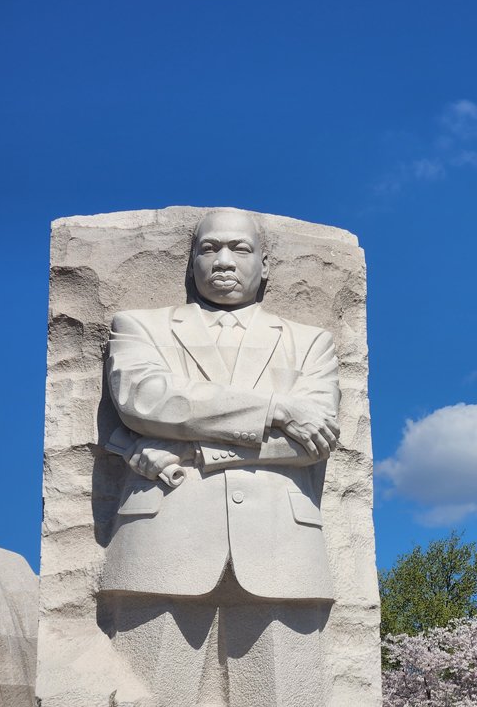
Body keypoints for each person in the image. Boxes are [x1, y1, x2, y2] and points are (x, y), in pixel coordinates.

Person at [99, 209, 341, 706]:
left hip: (283, 549)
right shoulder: (140, 326)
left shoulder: (310, 341)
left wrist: (192, 446)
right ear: (190, 264)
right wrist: (275, 407)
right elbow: (146, 400)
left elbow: (311, 441)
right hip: (162, 539)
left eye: (240, 248)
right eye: (209, 249)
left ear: (266, 264)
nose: (223, 261)